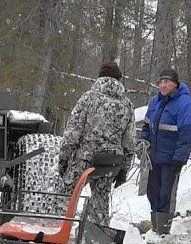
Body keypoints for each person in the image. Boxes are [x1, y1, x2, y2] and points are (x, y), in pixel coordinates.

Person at [56, 61, 136, 226]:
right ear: (119, 80)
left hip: (85, 159)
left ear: (100, 77)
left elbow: (73, 131)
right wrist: (124, 169)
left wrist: (64, 157)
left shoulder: (89, 98)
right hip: (110, 161)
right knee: (100, 202)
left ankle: (57, 229)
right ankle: (97, 240)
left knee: (65, 197)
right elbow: (129, 142)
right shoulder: (127, 104)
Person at [140, 67, 191, 234]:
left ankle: (163, 232)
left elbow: (187, 132)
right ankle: (155, 230)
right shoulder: (155, 102)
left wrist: (180, 157)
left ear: (175, 84)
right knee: (152, 193)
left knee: (166, 195)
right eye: (161, 82)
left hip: (171, 159)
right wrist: (144, 140)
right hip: (154, 158)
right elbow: (146, 125)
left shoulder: (184, 103)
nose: (163, 85)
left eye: (167, 82)